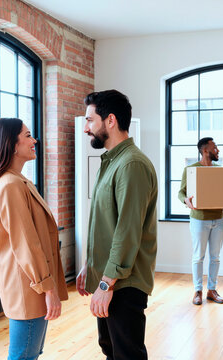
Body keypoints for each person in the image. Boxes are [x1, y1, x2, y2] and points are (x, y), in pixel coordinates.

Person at [76, 90, 158, 360]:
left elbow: (126, 231)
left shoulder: (131, 164)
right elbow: (106, 223)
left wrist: (105, 285)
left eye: (90, 120)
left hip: (124, 284)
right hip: (111, 279)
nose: (86, 128)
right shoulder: (112, 161)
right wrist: (90, 265)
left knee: (127, 354)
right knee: (110, 348)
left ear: (110, 120)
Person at [0, 118, 68, 360]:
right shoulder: (10, 185)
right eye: (28, 135)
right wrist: (48, 288)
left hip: (32, 284)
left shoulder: (19, 181)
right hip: (28, 287)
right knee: (23, 355)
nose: (34, 140)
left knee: (30, 353)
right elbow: (26, 244)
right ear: (12, 145)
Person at [178, 137, 223, 305]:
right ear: (205, 150)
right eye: (215, 147)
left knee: (216, 257)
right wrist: (186, 201)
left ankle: (212, 290)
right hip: (199, 220)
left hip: (219, 219)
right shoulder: (191, 169)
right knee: (198, 256)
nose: (218, 150)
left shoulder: (220, 170)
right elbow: (181, 193)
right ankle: (197, 291)